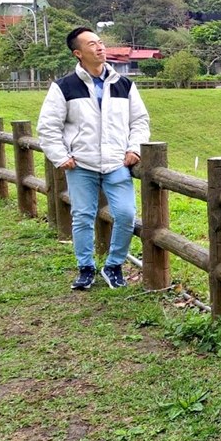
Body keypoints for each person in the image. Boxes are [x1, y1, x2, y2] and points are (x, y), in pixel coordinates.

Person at [38, 27, 150, 290]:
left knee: (125, 214)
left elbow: (140, 121)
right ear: (78, 53)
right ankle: (85, 267)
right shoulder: (63, 87)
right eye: (91, 44)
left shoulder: (124, 84)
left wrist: (134, 149)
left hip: (116, 163)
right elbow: (47, 126)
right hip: (81, 164)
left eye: (100, 42)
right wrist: (60, 156)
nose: (100, 47)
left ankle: (113, 266)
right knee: (83, 216)